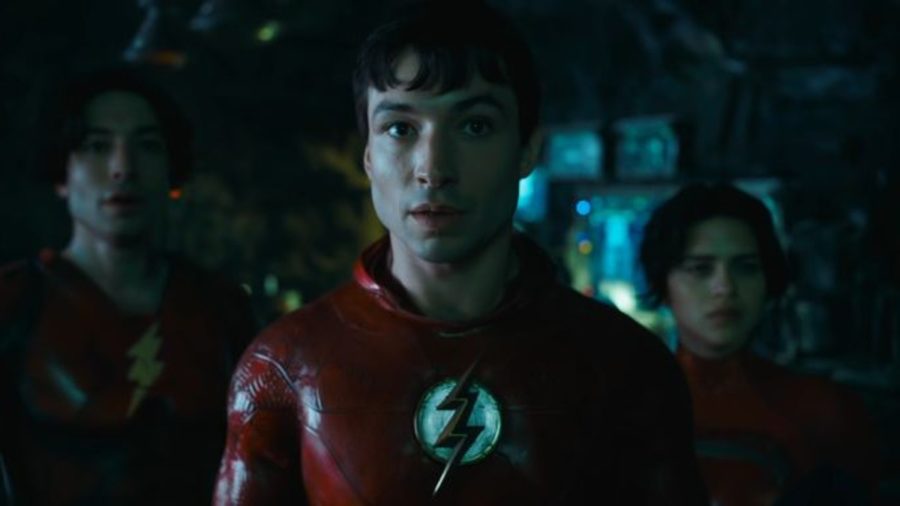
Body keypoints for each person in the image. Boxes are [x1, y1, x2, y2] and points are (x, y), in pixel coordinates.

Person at [213, 3, 707, 504]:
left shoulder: (627, 364)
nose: (433, 168)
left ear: (526, 150)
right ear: (369, 156)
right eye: (400, 128)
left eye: (474, 126)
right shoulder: (282, 366)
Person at [0, 68, 257, 505]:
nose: (123, 168)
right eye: (97, 146)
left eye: (147, 145)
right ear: (62, 172)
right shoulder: (13, 303)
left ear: (170, 168)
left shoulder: (220, 307)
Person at [639, 183, 880, 505]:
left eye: (746, 267)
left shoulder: (825, 411)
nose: (725, 287)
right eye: (700, 269)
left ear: (768, 280)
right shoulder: (629, 407)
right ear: (664, 284)